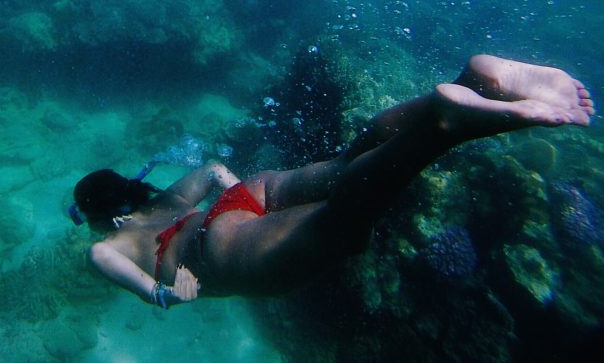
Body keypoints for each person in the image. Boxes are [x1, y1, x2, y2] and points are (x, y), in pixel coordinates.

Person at [69, 55, 595, 308]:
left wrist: (172, 293)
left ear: (97, 215)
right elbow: (212, 171)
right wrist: (242, 203)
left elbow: (143, 285)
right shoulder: (162, 201)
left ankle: (445, 124)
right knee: (347, 165)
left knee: (344, 219)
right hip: (243, 200)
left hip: (219, 252)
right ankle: (474, 82)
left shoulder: (106, 246)